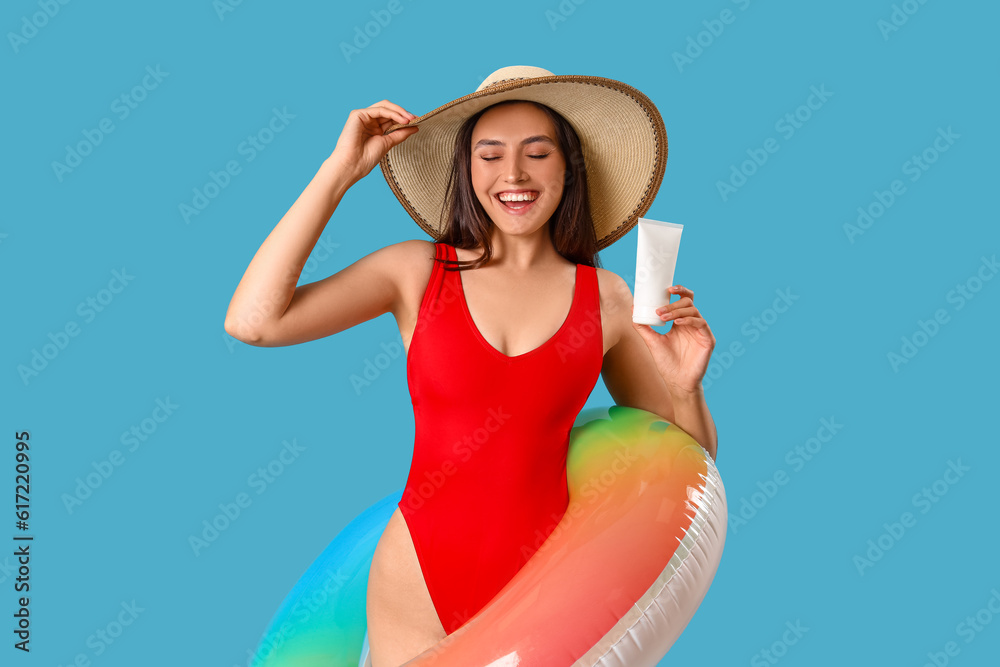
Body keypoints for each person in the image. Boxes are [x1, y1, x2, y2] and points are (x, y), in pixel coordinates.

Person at [225, 66, 718, 667]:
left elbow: (678, 465)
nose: (513, 174)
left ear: (568, 169)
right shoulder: (415, 273)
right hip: (417, 580)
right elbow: (254, 322)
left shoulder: (608, 299)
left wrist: (685, 386)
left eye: (537, 154)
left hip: (542, 581)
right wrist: (339, 173)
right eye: (491, 156)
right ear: (467, 170)